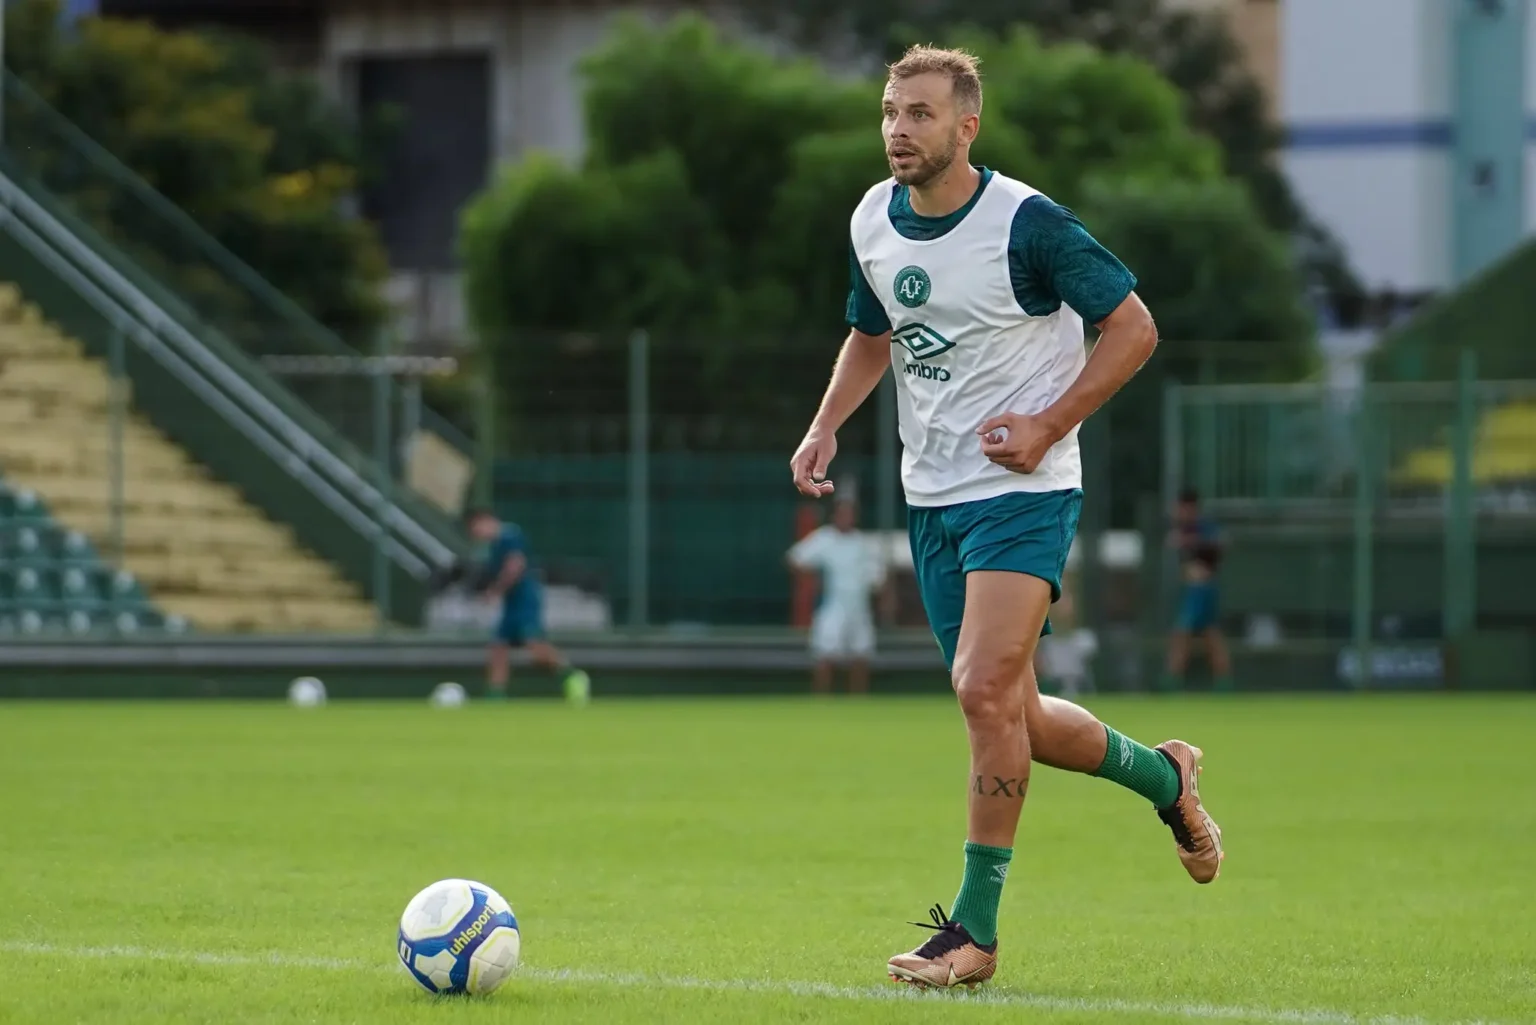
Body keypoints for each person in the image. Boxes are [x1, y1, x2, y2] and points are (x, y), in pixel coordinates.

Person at [788, 45, 1223, 990]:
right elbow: (873, 333)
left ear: (966, 127)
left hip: (1025, 492)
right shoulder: (873, 217)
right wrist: (825, 426)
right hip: (933, 497)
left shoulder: (1027, 224)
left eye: (921, 115)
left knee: (984, 693)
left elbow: (1135, 327)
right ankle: (1165, 777)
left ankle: (973, 933)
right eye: (892, 112)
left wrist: (1047, 423)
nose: (900, 129)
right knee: (1013, 710)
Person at [464, 509, 589, 703]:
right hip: (511, 602)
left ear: (485, 521)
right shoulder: (495, 544)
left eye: (476, 529)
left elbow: (515, 565)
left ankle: (572, 675)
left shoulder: (509, 535)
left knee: (535, 646)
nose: (477, 535)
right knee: (499, 646)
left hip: (525, 600)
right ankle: (495, 696)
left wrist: (496, 591)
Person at [786, 499, 887, 694]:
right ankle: (822, 697)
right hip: (833, 605)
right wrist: (812, 581)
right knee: (825, 653)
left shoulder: (861, 542)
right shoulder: (824, 538)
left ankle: (858, 698)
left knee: (861, 654)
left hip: (859, 606)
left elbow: (877, 577)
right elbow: (795, 559)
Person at [1163, 488, 1233, 692]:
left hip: (1201, 589)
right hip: (1195, 588)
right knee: (1210, 635)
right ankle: (1223, 681)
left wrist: (1188, 542)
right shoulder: (1184, 528)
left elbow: (1221, 543)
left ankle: (1172, 680)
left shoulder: (1202, 527)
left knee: (1183, 633)